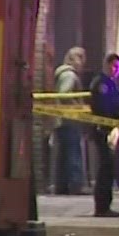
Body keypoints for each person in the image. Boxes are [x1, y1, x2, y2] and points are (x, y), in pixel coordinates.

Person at [89, 53, 119, 217]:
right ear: (107, 65)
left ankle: (106, 205)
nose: (116, 71)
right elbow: (103, 106)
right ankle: (102, 207)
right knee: (105, 168)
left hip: (111, 129)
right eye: (115, 67)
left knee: (109, 168)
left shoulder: (111, 83)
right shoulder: (101, 83)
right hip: (103, 129)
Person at [52, 46, 87, 194]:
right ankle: (75, 184)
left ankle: (62, 185)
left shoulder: (63, 74)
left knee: (64, 153)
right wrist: (78, 107)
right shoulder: (70, 76)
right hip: (69, 120)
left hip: (62, 120)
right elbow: (64, 94)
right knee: (73, 152)